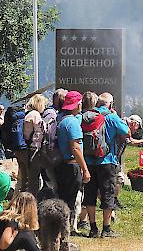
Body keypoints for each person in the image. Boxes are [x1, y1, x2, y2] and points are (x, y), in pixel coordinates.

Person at [81, 92, 129, 238]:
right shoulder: (111, 117)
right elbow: (126, 131)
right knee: (107, 193)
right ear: (110, 104)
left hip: (88, 161)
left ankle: (93, 228)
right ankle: (106, 229)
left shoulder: (87, 116)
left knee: (90, 194)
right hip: (106, 161)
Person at [55, 91, 90, 228]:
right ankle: (65, 229)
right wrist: (85, 169)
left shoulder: (61, 120)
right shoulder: (73, 123)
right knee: (70, 200)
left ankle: (60, 227)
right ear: (77, 105)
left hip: (62, 165)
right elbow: (75, 148)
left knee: (63, 198)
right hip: (72, 166)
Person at [16, 94, 46, 197]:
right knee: (33, 179)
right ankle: (31, 202)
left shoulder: (27, 114)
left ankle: (22, 201)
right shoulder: (35, 115)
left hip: (23, 149)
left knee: (25, 178)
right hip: (33, 149)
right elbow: (37, 133)